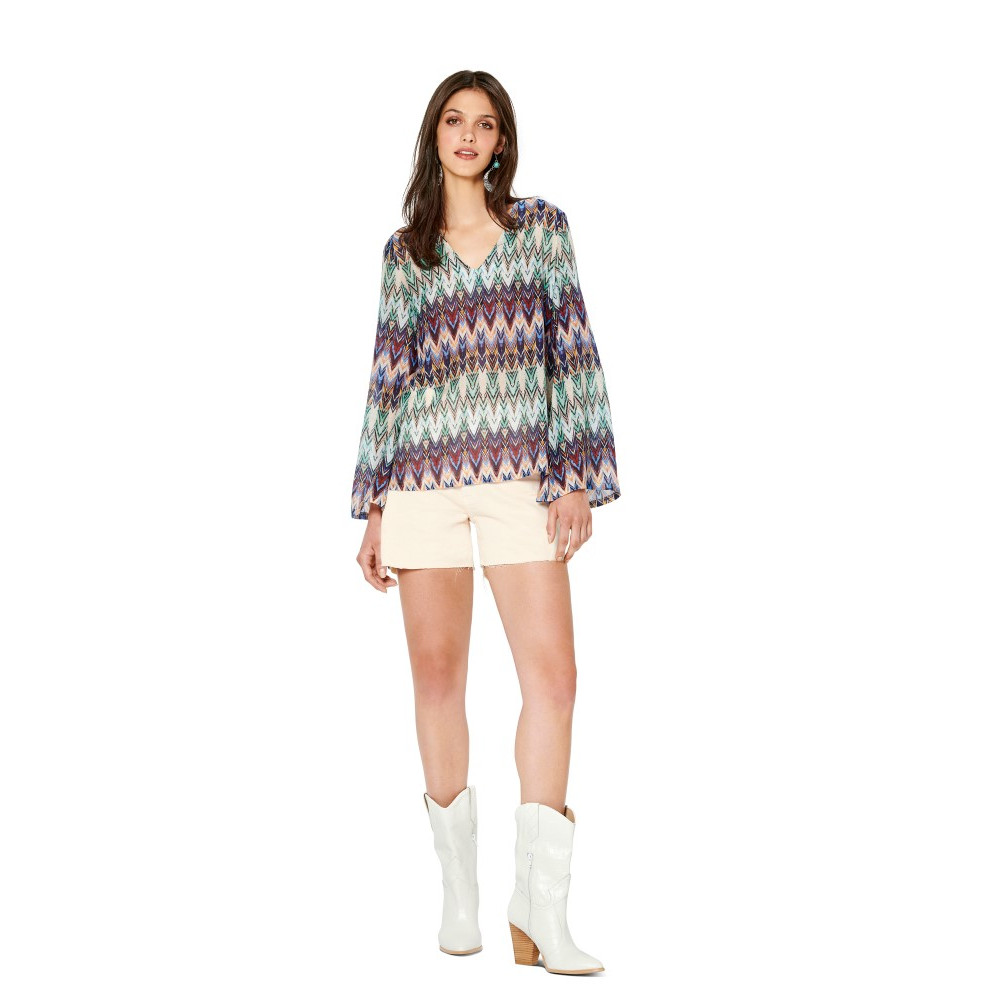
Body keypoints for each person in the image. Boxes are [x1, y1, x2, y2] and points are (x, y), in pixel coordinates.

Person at [350, 70, 621, 976]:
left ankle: (541, 907)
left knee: (555, 679)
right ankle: (459, 893)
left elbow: (573, 348)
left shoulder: (542, 228)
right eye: (454, 121)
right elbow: (387, 378)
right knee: (437, 679)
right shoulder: (406, 252)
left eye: (486, 123)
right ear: (435, 136)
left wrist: (576, 476)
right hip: (422, 478)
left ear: (501, 142)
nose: (468, 135)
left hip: (522, 478)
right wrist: (374, 506)